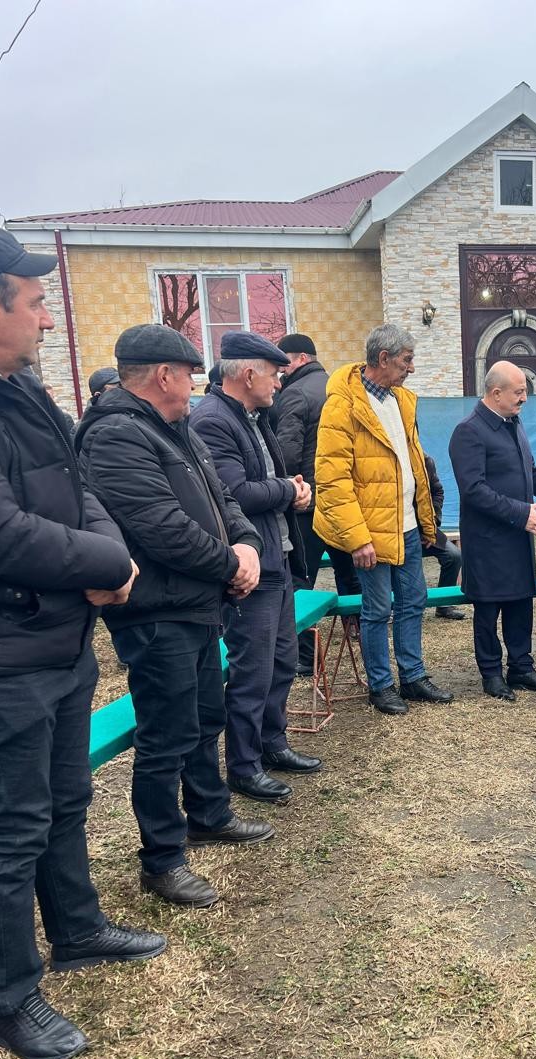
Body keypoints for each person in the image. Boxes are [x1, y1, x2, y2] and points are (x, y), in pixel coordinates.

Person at [0, 227, 165, 1059]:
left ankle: (79, 930)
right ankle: (9, 996)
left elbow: (82, 489)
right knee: (8, 830)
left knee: (63, 804)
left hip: (58, 646)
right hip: (1, 662)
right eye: (36, 300)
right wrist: (108, 560)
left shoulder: (25, 393)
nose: (48, 320)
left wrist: (111, 555)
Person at [76, 324, 274, 909]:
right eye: (189, 375)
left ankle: (208, 813)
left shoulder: (175, 427)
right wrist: (230, 566)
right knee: (165, 735)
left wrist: (247, 547)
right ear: (163, 375)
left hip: (195, 607)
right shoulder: (115, 435)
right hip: (157, 613)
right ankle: (162, 859)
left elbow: (225, 501)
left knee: (205, 714)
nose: (196, 385)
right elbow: (159, 528)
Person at [191, 331, 322, 805]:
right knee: (252, 671)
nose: (278, 384)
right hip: (253, 567)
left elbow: (262, 481)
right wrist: (290, 490)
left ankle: (272, 744)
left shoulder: (253, 416)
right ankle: (244, 767)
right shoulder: (212, 421)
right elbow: (236, 493)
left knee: (281, 662)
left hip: (277, 557)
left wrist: (287, 488)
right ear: (248, 374)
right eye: (274, 375)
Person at [314, 323, 453, 715]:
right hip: (370, 533)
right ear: (383, 359)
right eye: (406, 360)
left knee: (414, 600)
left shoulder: (401, 401)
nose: (411, 368)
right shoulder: (342, 406)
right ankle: (381, 686)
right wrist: (358, 538)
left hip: (406, 526)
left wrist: (426, 522)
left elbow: (414, 467)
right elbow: (333, 479)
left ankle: (412, 677)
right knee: (377, 610)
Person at [449, 360, 536, 701]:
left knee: (520, 602)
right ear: (495, 393)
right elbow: (473, 490)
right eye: (519, 392)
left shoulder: (513, 422)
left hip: (517, 533)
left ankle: (521, 667)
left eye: (524, 392)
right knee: (488, 607)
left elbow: (530, 469)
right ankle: (491, 673)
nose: (524, 399)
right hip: (487, 539)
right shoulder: (469, 431)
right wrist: (521, 513)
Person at [273, 333, 359, 599]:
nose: (280, 370)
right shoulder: (341, 389)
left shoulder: (295, 393)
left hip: (308, 504)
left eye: (283, 363)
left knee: (301, 577)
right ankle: (356, 631)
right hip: (342, 498)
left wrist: (283, 489)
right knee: (349, 573)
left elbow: (287, 452)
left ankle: (303, 640)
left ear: (301, 358)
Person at [423, 452, 465, 620]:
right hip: (396, 533)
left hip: (427, 528)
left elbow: (437, 492)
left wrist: (430, 525)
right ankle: (395, 607)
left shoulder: (426, 461)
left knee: (454, 556)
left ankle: (443, 604)